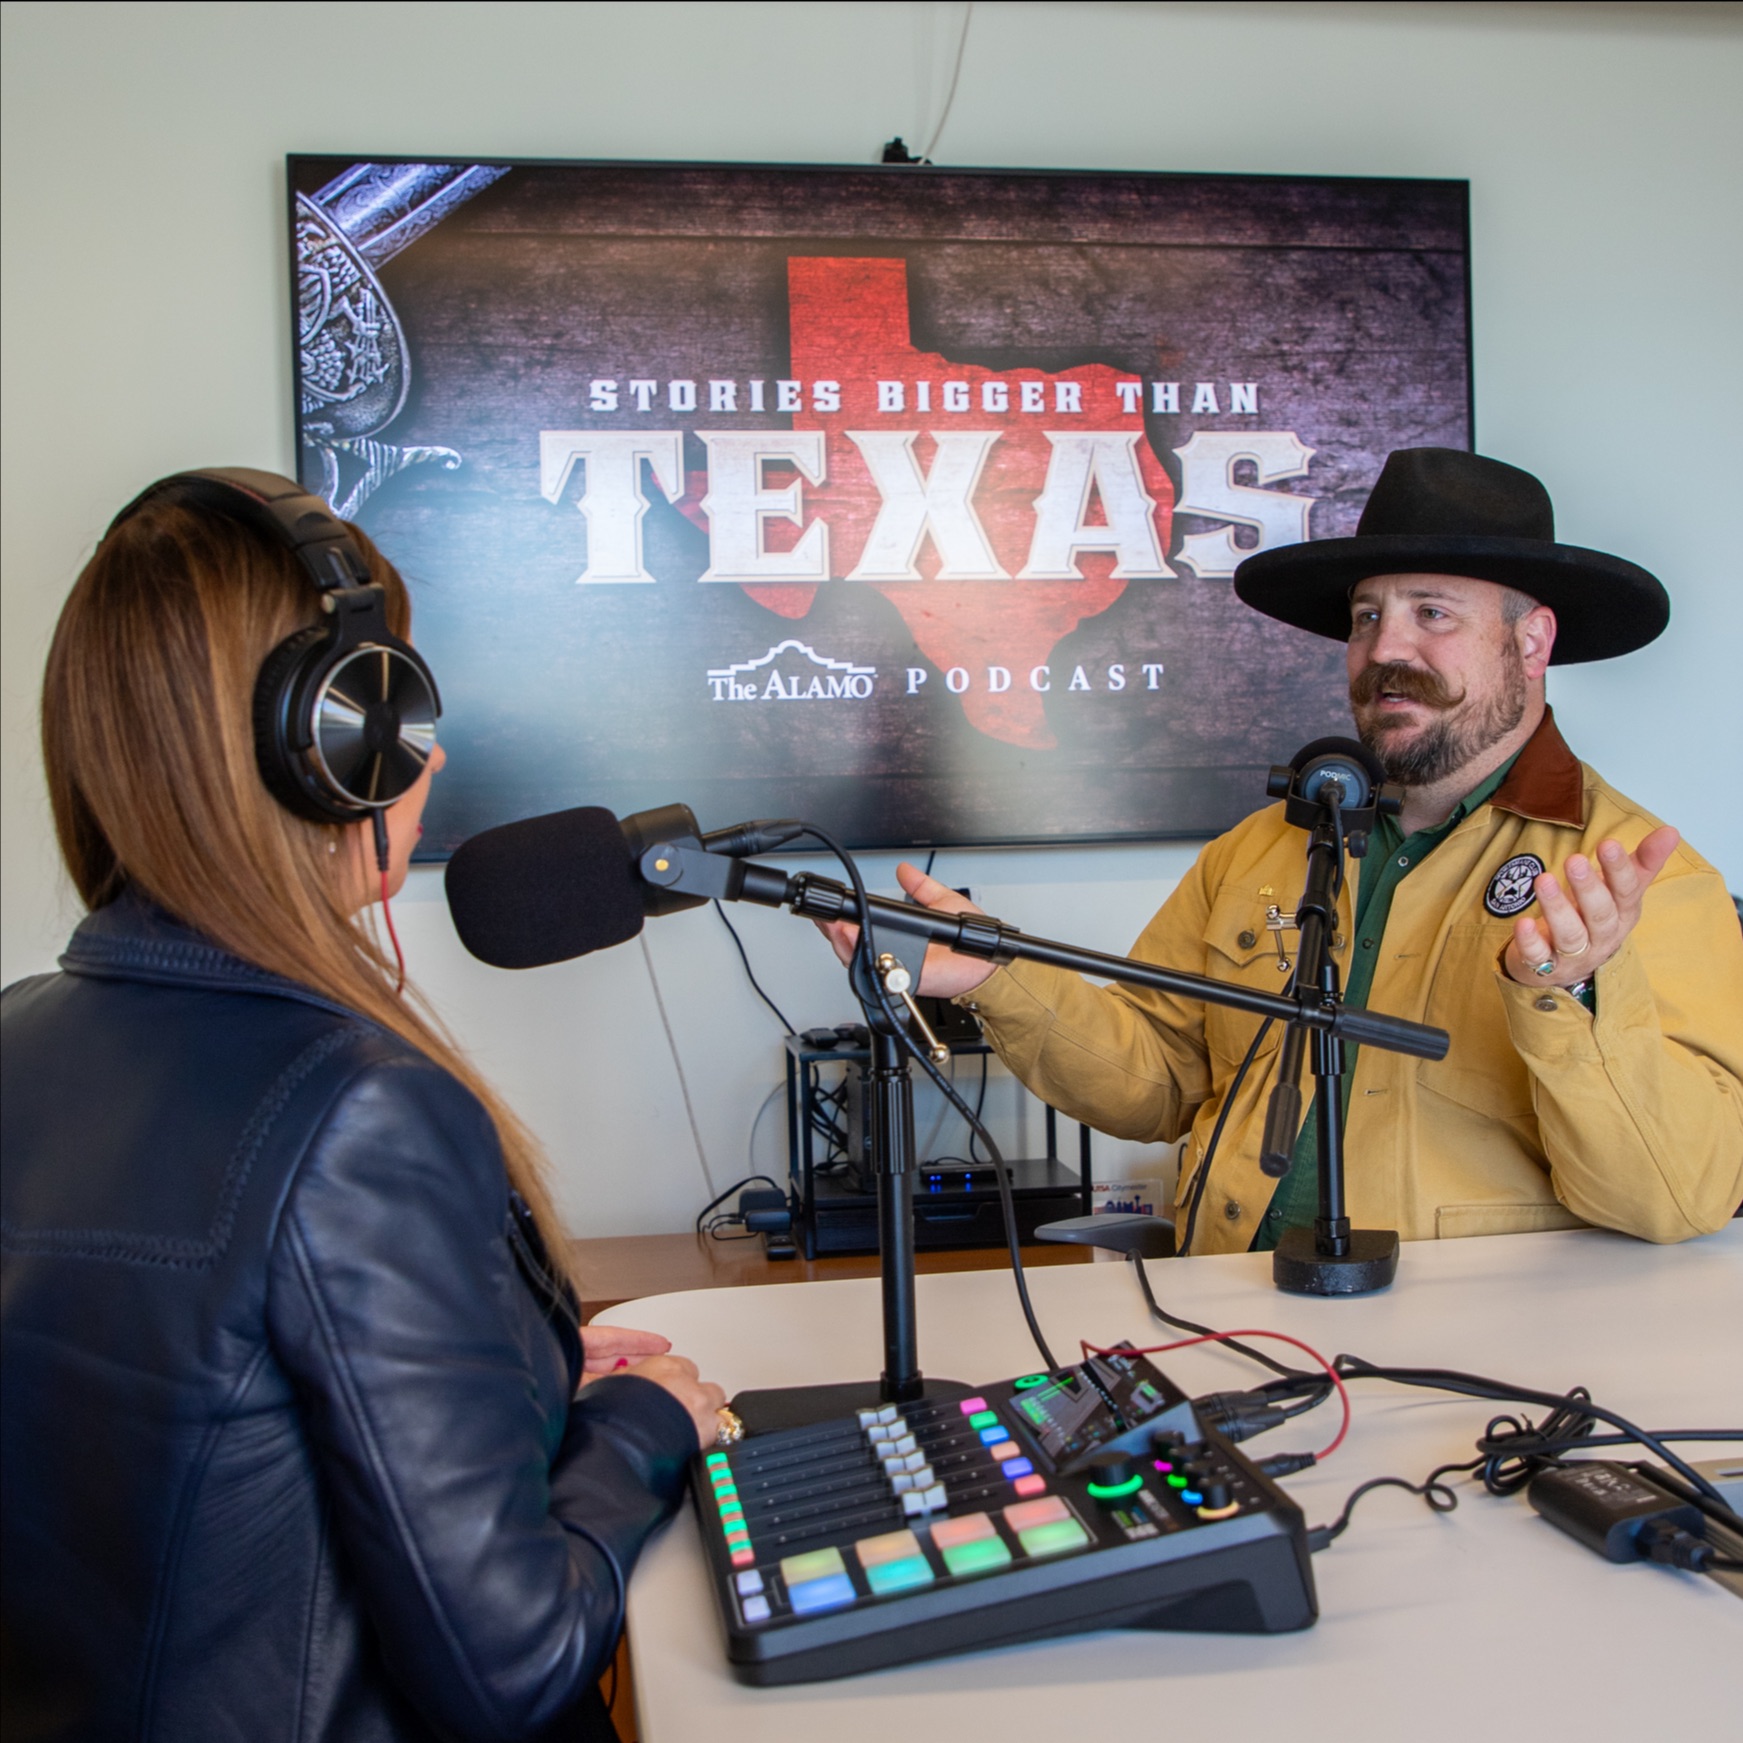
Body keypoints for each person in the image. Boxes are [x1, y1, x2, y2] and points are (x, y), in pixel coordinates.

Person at [1, 470, 725, 1741]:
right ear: (341, 747)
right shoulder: (359, 1112)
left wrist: (531, 1374)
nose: (427, 750)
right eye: (403, 703)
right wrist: (646, 1422)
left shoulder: (19, 1036)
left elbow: (215, 1436)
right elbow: (512, 1661)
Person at [823, 448, 1743, 1252]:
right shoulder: (1256, 849)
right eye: (1366, 617)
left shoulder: (1637, 879)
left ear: (1531, 640)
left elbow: (1675, 1198)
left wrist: (1571, 993)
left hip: (1472, 1376)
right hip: (1233, 1324)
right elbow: (1155, 1078)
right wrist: (992, 972)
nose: (1388, 649)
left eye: (1433, 613)